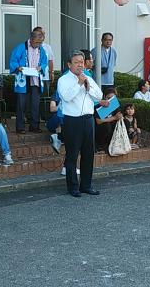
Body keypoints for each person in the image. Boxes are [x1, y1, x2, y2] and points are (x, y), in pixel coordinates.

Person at [57, 51, 103, 197]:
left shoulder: (88, 78)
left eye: (82, 62)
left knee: (88, 154)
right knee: (72, 155)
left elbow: (99, 96)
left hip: (88, 120)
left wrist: (88, 85)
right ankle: (73, 187)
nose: (80, 65)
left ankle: (86, 185)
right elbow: (66, 97)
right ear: (69, 64)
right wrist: (79, 84)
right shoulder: (63, 80)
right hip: (72, 121)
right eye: (76, 62)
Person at [9, 31, 48, 133]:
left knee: (35, 104)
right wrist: (18, 67)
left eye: (40, 43)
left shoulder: (41, 49)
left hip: (35, 79)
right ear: (31, 39)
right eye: (37, 42)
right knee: (21, 105)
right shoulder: (21, 47)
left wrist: (42, 67)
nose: (39, 45)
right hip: (23, 79)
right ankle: (20, 127)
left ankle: (34, 126)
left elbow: (45, 61)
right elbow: (13, 60)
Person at [94, 88, 123, 153]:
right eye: (108, 98)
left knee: (123, 122)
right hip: (99, 129)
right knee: (106, 126)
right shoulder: (99, 106)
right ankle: (100, 146)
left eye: (112, 98)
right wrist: (114, 118)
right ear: (104, 97)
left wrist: (120, 117)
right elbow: (99, 121)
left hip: (111, 128)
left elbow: (118, 116)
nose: (110, 100)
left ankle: (117, 143)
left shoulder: (115, 105)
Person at [33, 27, 55, 96]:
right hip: (32, 77)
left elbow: (50, 60)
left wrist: (51, 72)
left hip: (45, 77)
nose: (43, 35)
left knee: (44, 98)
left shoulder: (47, 47)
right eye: (40, 33)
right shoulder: (28, 46)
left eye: (44, 34)